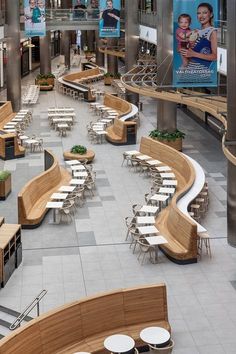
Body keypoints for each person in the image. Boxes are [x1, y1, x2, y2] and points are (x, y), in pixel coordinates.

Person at [180, 2, 217, 69]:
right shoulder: (196, 32)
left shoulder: (212, 31)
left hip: (200, 74)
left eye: (205, 13)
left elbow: (215, 57)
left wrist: (194, 54)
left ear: (211, 14)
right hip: (188, 71)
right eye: (199, 13)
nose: (201, 16)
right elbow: (188, 55)